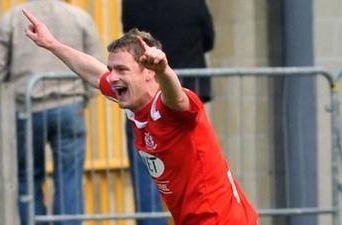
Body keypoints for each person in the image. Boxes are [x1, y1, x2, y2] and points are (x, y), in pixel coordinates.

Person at [22, 9, 259, 225]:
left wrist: (164, 70)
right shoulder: (133, 101)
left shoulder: (171, 108)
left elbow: (176, 98)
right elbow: (94, 73)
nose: (113, 77)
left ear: (148, 73)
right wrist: (52, 44)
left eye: (122, 70)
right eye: (112, 69)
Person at [0, 1, 103, 225]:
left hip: (27, 107)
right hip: (71, 106)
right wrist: (84, 98)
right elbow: (97, 66)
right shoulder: (79, 17)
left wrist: (9, 98)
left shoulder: (12, 18)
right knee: (69, 177)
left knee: (27, 177)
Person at [121, 1, 215, 223]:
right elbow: (209, 39)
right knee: (195, 166)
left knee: (146, 165)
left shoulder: (132, 4)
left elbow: (129, 43)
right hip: (189, 92)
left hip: (145, 94)